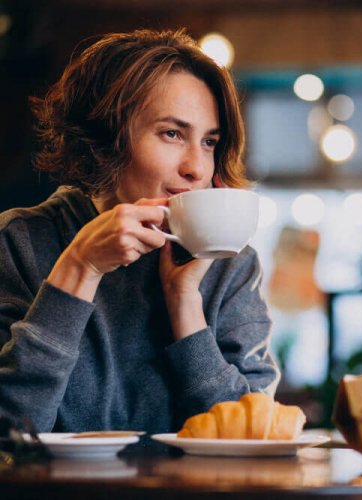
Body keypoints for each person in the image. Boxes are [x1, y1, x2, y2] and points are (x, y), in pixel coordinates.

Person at [0, 29, 280, 433]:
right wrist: (79, 267)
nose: (197, 168)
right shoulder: (19, 243)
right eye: (172, 134)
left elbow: (253, 435)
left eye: (209, 142)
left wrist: (186, 306)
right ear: (103, 140)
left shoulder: (229, 264)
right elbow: (10, 434)